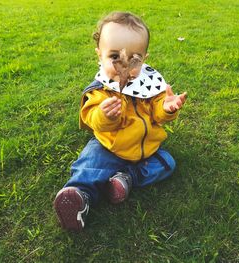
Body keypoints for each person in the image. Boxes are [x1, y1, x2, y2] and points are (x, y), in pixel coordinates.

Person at [54, 11, 187, 231]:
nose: (123, 65)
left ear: (144, 58)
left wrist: (166, 108)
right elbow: (91, 117)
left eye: (134, 59)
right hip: (109, 146)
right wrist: (105, 116)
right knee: (90, 164)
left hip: (146, 150)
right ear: (99, 55)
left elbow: (158, 114)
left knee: (167, 163)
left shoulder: (149, 84)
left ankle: (126, 178)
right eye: (114, 56)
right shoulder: (102, 89)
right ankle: (78, 196)